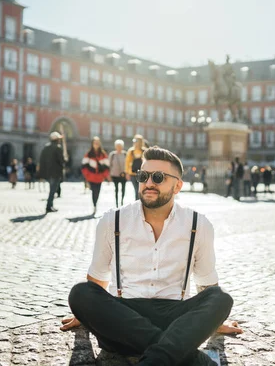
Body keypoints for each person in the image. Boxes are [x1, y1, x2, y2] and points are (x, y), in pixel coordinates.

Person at [61, 147, 242, 365]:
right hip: (123, 317)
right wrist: (86, 312)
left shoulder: (198, 224)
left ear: (177, 186)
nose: (149, 184)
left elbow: (206, 283)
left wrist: (213, 319)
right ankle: (177, 351)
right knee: (80, 292)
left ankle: (158, 356)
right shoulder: (113, 220)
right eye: (143, 176)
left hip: (173, 315)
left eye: (158, 178)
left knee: (221, 297)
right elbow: (98, 277)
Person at [81, 136, 110, 215]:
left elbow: (107, 166)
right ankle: (94, 205)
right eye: (95, 143)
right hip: (91, 177)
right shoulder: (89, 154)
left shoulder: (103, 154)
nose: (96, 144)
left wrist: (104, 175)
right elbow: (84, 166)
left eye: (98, 143)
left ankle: (95, 204)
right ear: (92, 144)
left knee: (97, 192)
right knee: (94, 191)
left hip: (99, 178)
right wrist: (87, 176)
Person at [38, 132, 66, 213]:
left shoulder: (46, 147)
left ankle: (50, 205)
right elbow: (61, 161)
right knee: (52, 190)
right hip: (56, 173)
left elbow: (41, 160)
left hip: (48, 173)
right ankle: (49, 206)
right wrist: (65, 159)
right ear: (56, 140)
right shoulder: (58, 148)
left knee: (52, 189)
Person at [126, 134, 147, 200]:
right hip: (132, 173)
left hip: (142, 174)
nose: (134, 142)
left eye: (136, 141)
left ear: (140, 142)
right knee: (136, 190)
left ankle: (139, 202)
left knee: (140, 190)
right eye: (134, 140)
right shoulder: (131, 151)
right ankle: (137, 203)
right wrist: (127, 173)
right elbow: (127, 162)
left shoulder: (145, 151)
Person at [109, 139, 127, 208]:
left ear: (122, 146)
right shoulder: (112, 154)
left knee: (123, 189)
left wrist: (127, 173)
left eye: (120, 146)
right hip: (115, 175)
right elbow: (110, 165)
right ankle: (116, 203)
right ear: (115, 146)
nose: (119, 147)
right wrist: (109, 175)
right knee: (116, 189)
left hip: (123, 175)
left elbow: (128, 165)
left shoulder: (125, 154)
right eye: (117, 146)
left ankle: (122, 201)